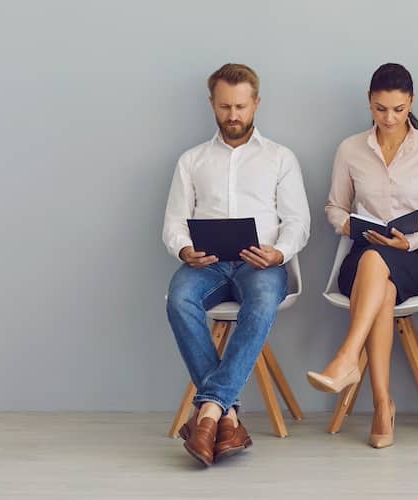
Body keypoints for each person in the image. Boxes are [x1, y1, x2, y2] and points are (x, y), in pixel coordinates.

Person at [163, 63, 311, 466]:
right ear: (212, 103)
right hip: (207, 263)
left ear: (256, 104)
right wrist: (183, 250)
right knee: (178, 300)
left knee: (261, 303)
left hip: (260, 262)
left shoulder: (280, 158)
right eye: (225, 106)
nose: (233, 116)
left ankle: (209, 411)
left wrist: (278, 252)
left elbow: (298, 220)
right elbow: (174, 222)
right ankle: (224, 414)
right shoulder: (191, 160)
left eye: (241, 107)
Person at [305, 63, 418, 449]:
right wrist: (351, 226)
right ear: (369, 104)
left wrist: (410, 242)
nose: (389, 118)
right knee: (376, 275)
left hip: (416, 257)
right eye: (381, 109)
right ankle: (383, 405)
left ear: (411, 102)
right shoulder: (350, 149)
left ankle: (348, 359)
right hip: (365, 250)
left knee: (378, 265)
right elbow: (335, 207)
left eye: (398, 110)